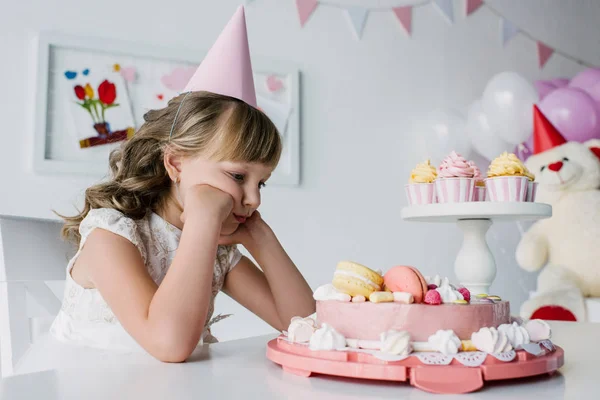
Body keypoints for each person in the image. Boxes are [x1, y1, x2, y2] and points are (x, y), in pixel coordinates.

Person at [50, 6, 315, 362]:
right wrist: (203, 219)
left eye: (261, 184)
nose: (252, 198)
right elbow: (170, 345)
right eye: (238, 176)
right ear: (175, 163)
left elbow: (306, 327)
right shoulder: (110, 236)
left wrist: (262, 239)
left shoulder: (218, 250)